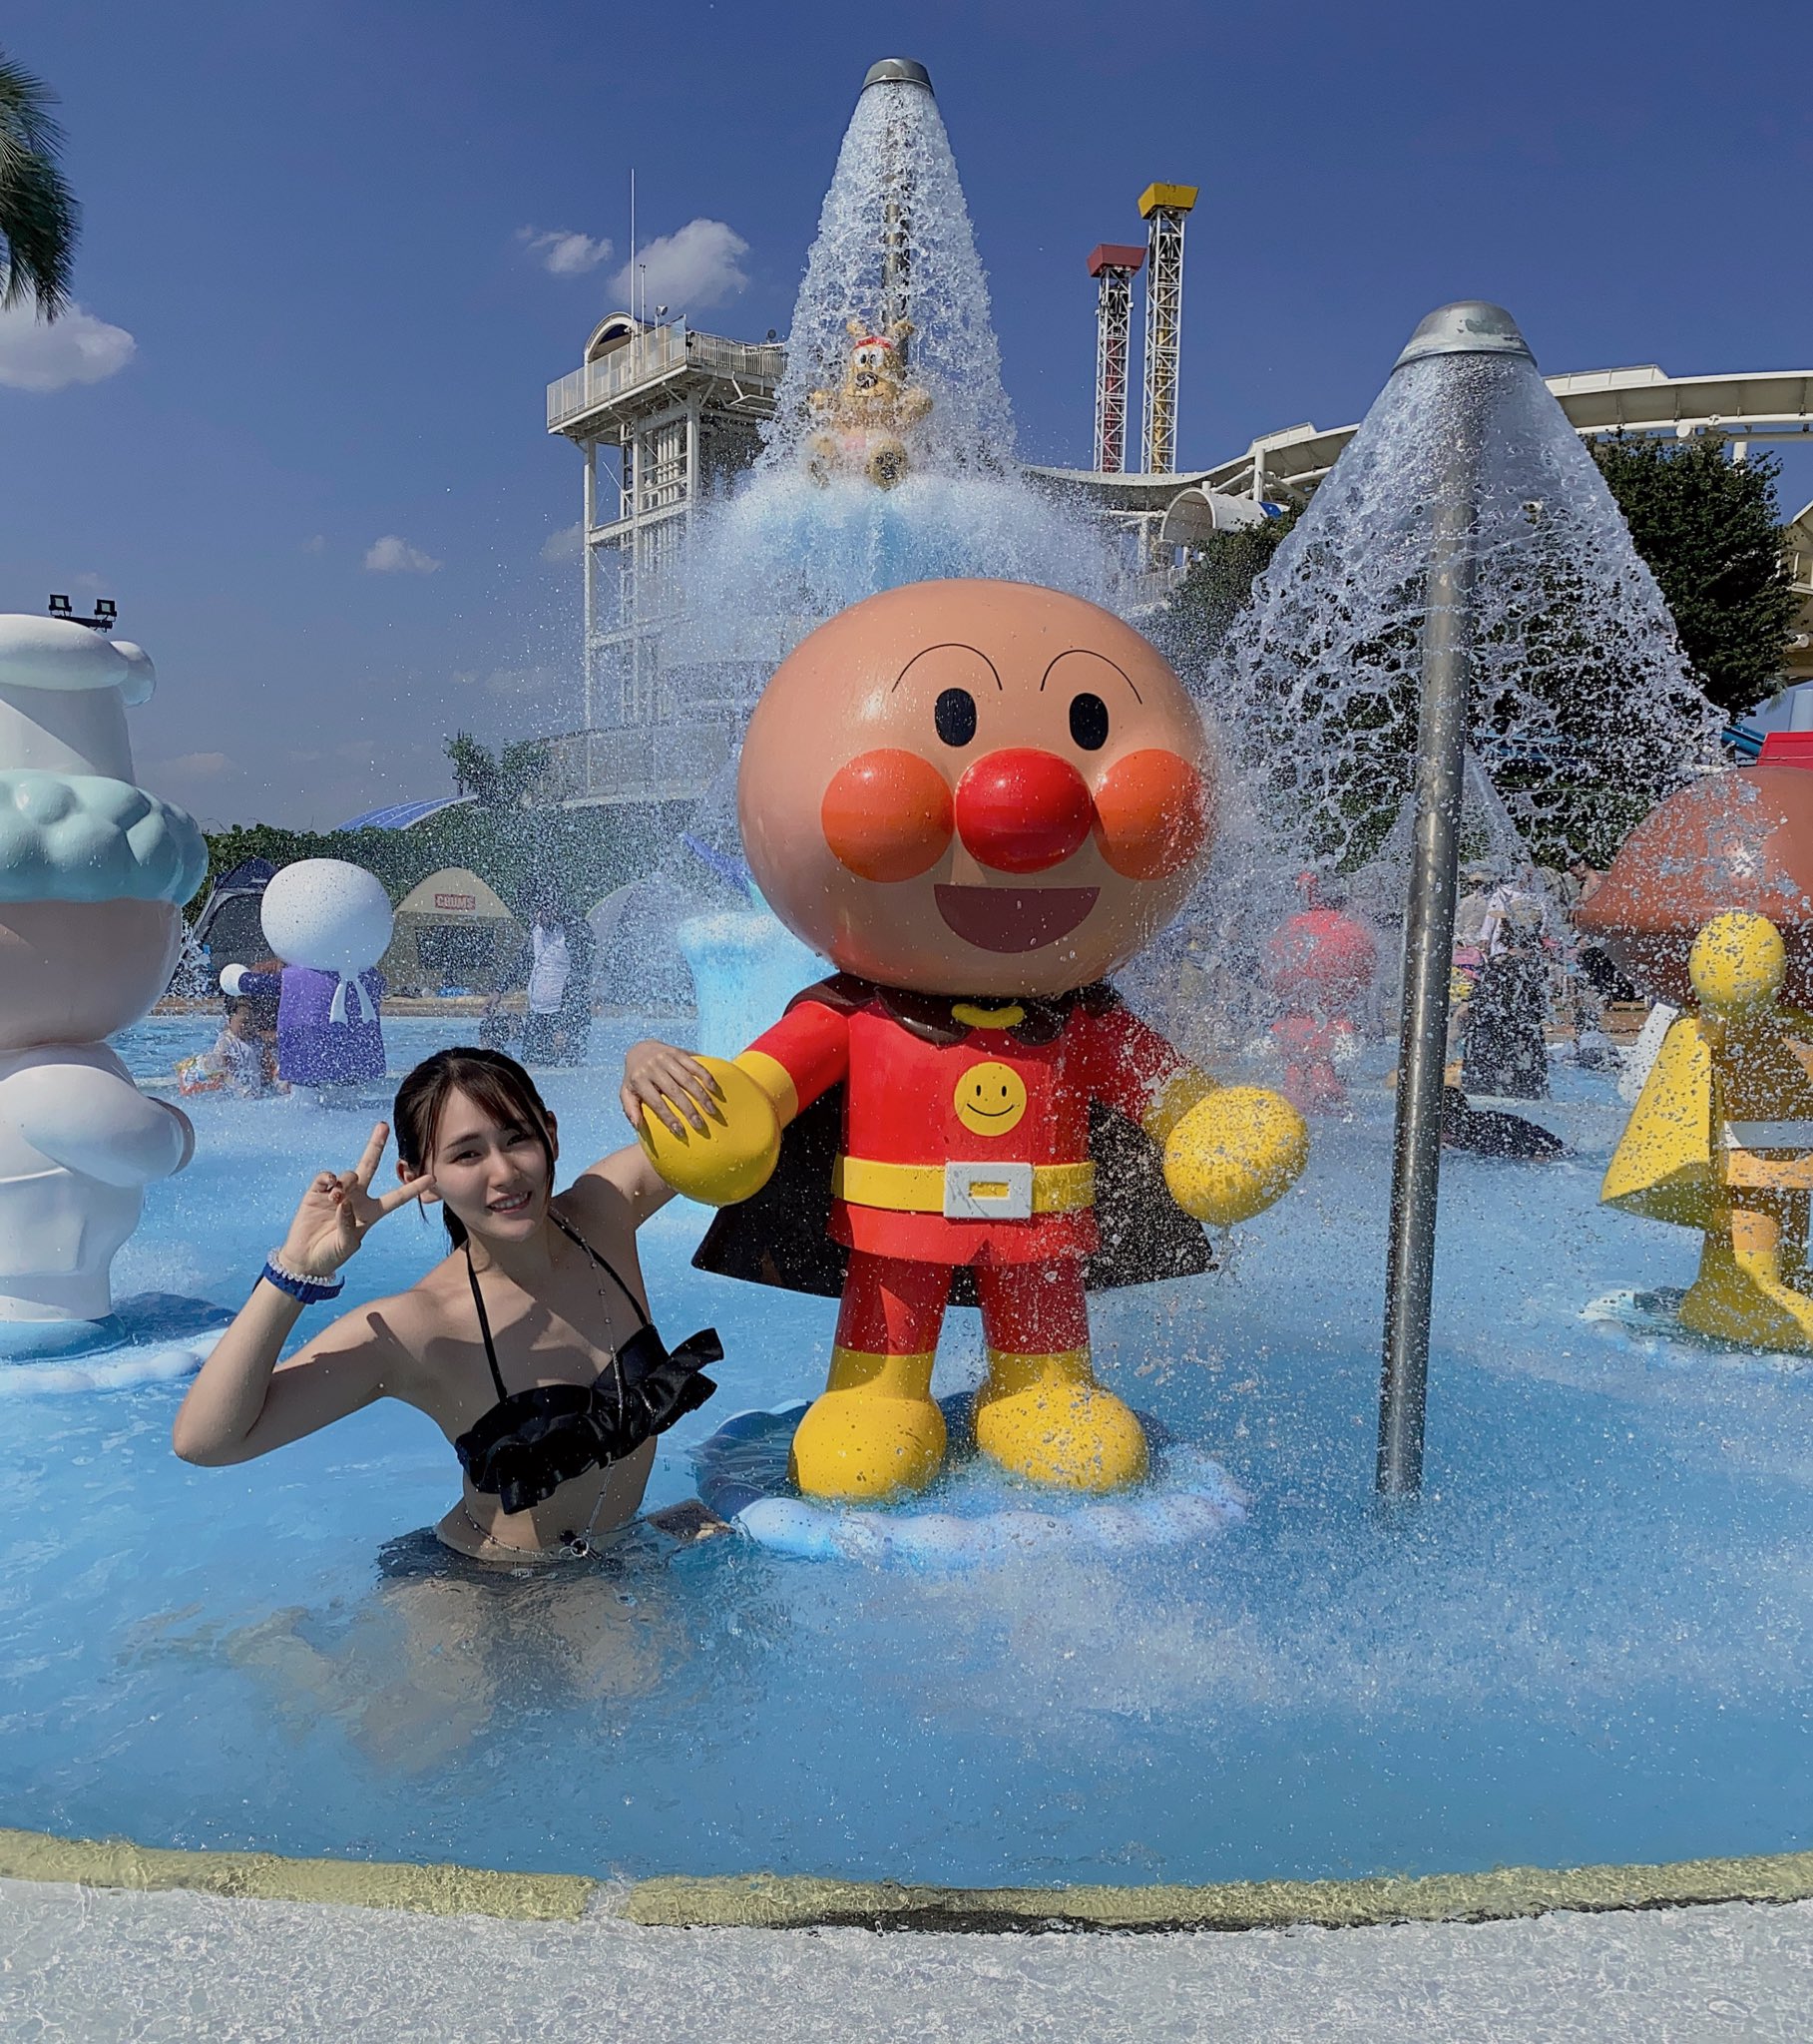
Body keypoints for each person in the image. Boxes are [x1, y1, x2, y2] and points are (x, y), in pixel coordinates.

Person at [172, 1043, 727, 1563]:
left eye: (517, 1138)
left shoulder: (606, 1210)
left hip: (614, 1552)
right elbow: (205, 1442)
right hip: (486, 1588)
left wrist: (646, 1058)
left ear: (551, 1135)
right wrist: (295, 1270)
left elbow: (743, 1118)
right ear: (421, 1179)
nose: (504, 1172)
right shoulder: (418, 1326)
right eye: (467, 1155)